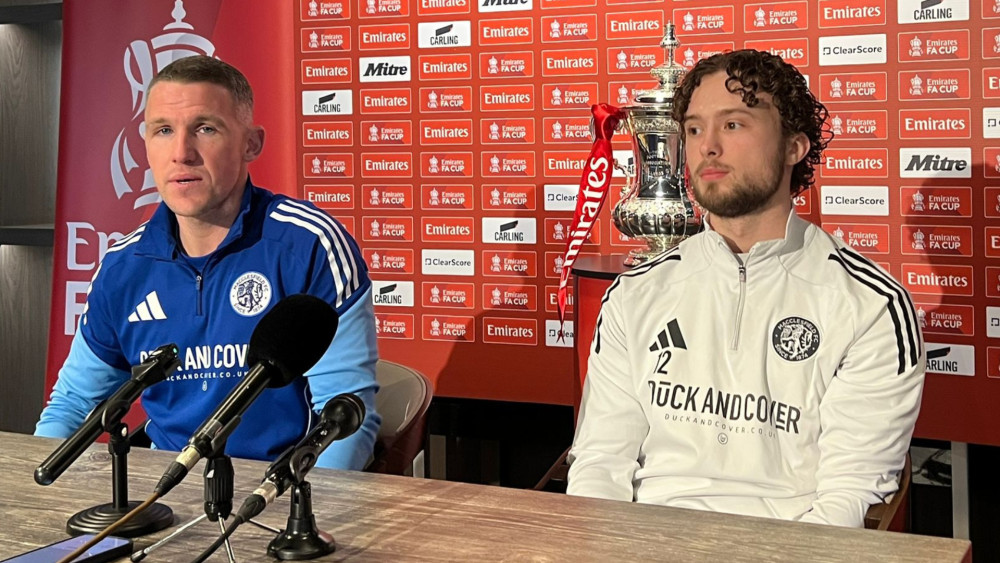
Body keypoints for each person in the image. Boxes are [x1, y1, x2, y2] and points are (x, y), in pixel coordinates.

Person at [567, 50, 925, 527]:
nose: (707, 146)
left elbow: (847, 500)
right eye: (694, 129)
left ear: (794, 146)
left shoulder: (871, 305)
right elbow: (598, 469)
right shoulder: (636, 292)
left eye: (733, 125)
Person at [36, 56, 380, 470]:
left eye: (205, 129)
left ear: (251, 144)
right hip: (162, 492)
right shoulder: (123, 267)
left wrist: (296, 514)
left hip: (282, 493)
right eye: (163, 130)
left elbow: (345, 419)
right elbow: (71, 409)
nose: (182, 154)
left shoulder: (309, 245)